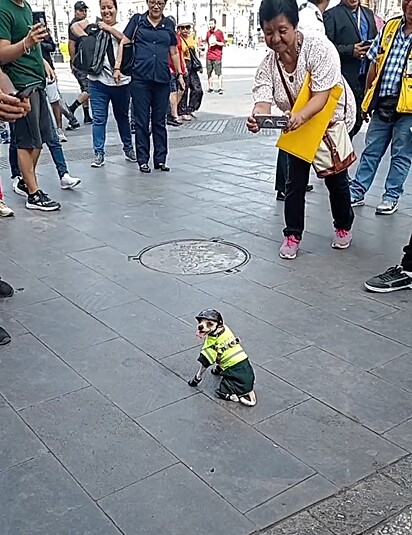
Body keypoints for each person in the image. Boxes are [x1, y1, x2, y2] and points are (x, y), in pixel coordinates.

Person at [247, 0, 356, 260]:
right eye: (268, 31)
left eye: (282, 30)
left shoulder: (319, 48)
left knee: (336, 180)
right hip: (295, 126)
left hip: (329, 122)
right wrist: (257, 118)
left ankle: (343, 225)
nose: (276, 38)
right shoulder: (267, 66)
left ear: (295, 25)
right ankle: (292, 234)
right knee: (293, 182)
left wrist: (300, 115)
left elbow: (321, 95)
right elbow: (262, 101)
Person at [349, 5, 412, 216]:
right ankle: (357, 191)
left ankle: (391, 196)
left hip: (409, 110)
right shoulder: (391, 27)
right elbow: (374, 62)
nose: (410, 4)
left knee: (401, 155)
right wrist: (367, 98)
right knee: (371, 150)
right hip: (383, 102)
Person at [0, 2, 61, 211]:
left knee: (39, 139)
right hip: (20, 82)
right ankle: (33, 194)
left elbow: (30, 44)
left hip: (35, 81)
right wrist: (27, 42)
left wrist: (42, 60)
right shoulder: (3, 8)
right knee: (27, 141)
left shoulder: (25, 7)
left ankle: (26, 181)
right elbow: (1, 53)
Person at [114, 0, 185, 173]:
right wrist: (117, 67)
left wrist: (180, 74)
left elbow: (173, 51)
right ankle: (143, 160)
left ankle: (160, 159)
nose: (156, 6)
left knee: (160, 121)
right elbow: (124, 42)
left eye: (160, 3)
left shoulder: (168, 24)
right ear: (147, 2)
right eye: (153, 2)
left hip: (162, 79)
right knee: (142, 121)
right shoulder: (138, 21)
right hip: (140, 79)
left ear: (165, 4)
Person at [275, 0, 329, 201]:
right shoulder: (307, 15)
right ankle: (287, 183)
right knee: (293, 136)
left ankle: (289, 182)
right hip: (304, 88)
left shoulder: (311, 13)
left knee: (293, 134)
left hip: (311, 89)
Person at [71, 0, 136, 168]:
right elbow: (74, 28)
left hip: (121, 81)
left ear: (116, 8)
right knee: (99, 119)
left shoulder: (124, 25)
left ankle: (128, 148)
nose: (107, 11)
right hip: (97, 80)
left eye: (110, 7)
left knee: (123, 117)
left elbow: (125, 39)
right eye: (103, 8)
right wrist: (87, 37)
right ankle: (98, 153)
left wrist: (108, 29)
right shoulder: (94, 23)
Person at [324, 0, 377, 139]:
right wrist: (350, 50)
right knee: (342, 128)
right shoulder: (331, 15)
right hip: (344, 81)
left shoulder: (368, 14)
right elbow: (325, 48)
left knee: (357, 123)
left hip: (364, 79)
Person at [68, 1, 93, 126]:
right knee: (89, 89)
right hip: (80, 62)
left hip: (84, 62)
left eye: (85, 10)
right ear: (75, 11)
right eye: (81, 10)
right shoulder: (74, 25)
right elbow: (71, 44)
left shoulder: (83, 24)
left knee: (84, 88)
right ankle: (71, 109)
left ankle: (87, 116)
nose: (84, 12)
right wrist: (73, 62)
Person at [178, 21, 204, 119]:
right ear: (179, 29)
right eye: (183, 28)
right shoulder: (178, 39)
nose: (185, 30)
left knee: (197, 89)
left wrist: (199, 66)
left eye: (187, 27)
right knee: (184, 88)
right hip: (183, 63)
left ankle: (191, 108)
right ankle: (182, 111)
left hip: (191, 65)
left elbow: (194, 54)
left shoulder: (192, 38)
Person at [206, 18, 225, 94]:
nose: (210, 26)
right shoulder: (208, 33)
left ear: (215, 24)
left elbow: (223, 43)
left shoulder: (219, 33)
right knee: (209, 72)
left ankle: (220, 87)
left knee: (218, 73)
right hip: (209, 55)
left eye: (212, 24)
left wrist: (216, 42)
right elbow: (207, 42)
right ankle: (210, 87)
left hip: (217, 55)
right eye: (209, 24)